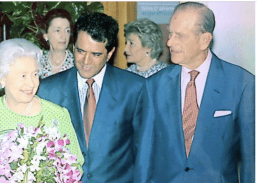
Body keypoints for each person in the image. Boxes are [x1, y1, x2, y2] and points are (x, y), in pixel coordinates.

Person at [136, 2, 255, 182]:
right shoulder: (154, 85)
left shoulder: (242, 84)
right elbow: (144, 155)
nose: (169, 42)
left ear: (204, 40)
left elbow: (251, 160)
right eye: (170, 34)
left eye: (180, 36)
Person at [38, 12, 145, 182]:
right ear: (73, 47)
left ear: (110, 54)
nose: (86, 61)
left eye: (96, 54)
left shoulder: (134, 88)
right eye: (81, 51)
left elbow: (145, 152)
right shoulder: (48, 90)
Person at [0, 38, 84, 182]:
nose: (31, 83)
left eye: (35, 74)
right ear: (2, 78)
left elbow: (75, 165)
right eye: (23, 76)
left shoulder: (57, 114)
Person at [38, 8, 75, 79]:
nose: (63, 36)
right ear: (46, 36)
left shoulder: (76, 64)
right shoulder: (38, 63)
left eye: (67, 31)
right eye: (57, 30)